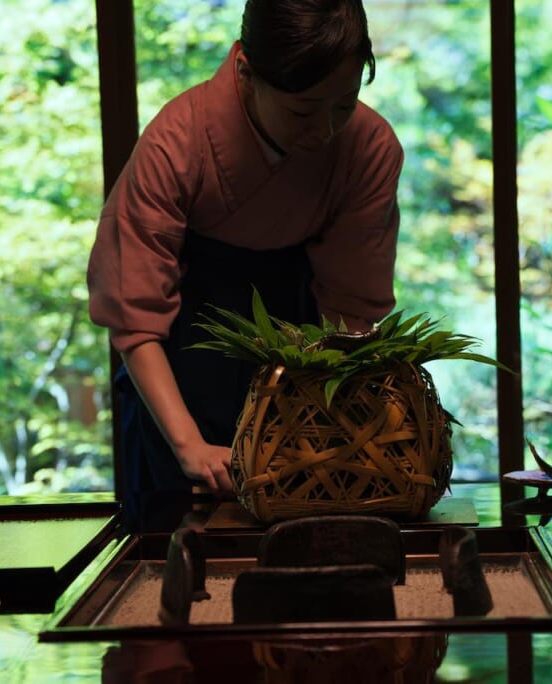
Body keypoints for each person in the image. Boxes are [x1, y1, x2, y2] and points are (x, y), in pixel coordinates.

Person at [86, 0, 403, 527]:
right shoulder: (178, 139)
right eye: (304, 110)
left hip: (300, 351)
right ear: (244, 71)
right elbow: (134, 316)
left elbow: (350, 307)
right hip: (178, 356)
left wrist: (333, 428)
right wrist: (189, 446)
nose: (325, 129)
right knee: (174, 548)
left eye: (344, 104)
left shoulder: (370, 146)